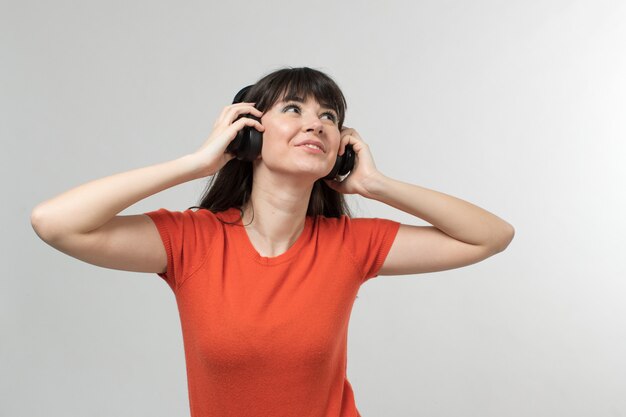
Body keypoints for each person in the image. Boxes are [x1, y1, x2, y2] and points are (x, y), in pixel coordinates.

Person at [31, 66, 515, 416]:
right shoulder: (192, 242)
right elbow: (54, 222)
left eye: (330, 115)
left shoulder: (348, 245)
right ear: (248, 135)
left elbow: (491, 237)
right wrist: (196, 164)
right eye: (293, 108)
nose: (318, 122)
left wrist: (375, 185)